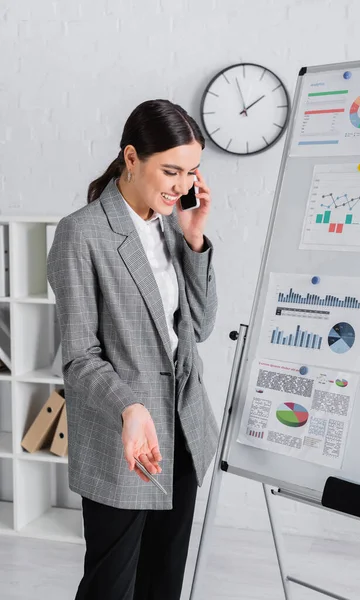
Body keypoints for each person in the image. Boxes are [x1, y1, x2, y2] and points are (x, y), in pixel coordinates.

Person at [47, 99, 219, 600]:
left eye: (192, 172)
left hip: (183, 429)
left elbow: (201, 326)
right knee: (111, 586)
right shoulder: (81, 233)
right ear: (131, 157)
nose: (183, 185)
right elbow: (80, 356)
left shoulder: (172, 224)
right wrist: (130, 406)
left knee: (164, 579)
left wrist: (195, 239)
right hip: (125, 436)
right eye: (170, 170)